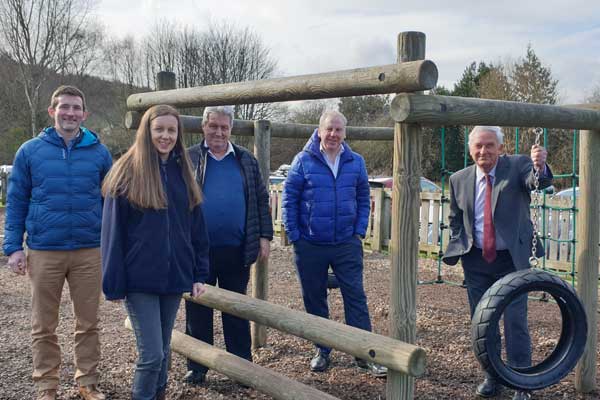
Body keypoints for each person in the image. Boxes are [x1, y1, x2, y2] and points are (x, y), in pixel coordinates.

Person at [2, 85, 111, 400]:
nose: (71, 113)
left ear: (84, 114)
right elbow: (17, 200)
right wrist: (12, 248)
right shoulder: (29, 151)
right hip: (44, 250)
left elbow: (111, 203)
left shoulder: (100, 153)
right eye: (64, 107)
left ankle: (88, 381)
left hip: (89, 250)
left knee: (89, 322)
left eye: (77, 108)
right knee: (43, 324)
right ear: (52, 111)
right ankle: (46, 386)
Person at [101, 105, 210, 400]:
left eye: (171, 130)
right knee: (150, 355)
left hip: (173, 277)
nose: (165, 135)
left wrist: (199, 273)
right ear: (147, 132)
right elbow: (112, 233)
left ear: (178, 133)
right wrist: (113, 282)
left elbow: (197, 231)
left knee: (163, 351)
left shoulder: (183, 173)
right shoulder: (126, 172)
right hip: (140, 279)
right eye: (159, 129)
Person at [442, 126, 553, 400]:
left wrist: (540, 165)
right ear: (471, 150)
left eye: (490, 145)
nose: (484, 151)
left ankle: (522, 381)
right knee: (482, 321)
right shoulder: (459, 179)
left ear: (500, 148)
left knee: (515, 320)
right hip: (477, 260)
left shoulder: (516, 166)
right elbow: (455, 217)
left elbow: (536, 180)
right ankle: (493, 376)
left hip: (512, 259)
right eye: (478, 146)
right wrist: (460, 241)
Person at [281, 110, 387, 377]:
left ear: (345, 133)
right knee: (314, 297)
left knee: (355, 296)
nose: (333, 134)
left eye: (338, 130)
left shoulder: (356, 161)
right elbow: (289, 199)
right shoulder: (303, 160)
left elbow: (365, 197)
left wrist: (359, 231)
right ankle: (322, 349)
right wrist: (295, 236)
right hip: (310, 244)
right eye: (329, 129)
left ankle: (364, 352)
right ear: (319, 131)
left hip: (345, 243)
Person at [184, 105, 273, 385]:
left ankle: (241, 366)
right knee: (198, 308)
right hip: (198, 250)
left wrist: (264, 237)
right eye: (214, 126)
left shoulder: (245, 159)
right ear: (204, 127)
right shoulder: (189, 158)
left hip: (236, 248)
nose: (219, 132)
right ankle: (197, 366)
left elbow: (261, 199)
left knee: (236, 309)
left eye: (224, 127)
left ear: (231, 129)